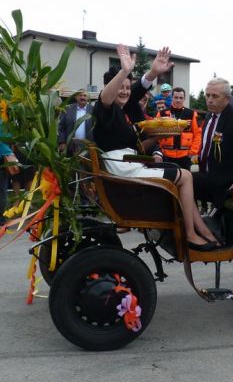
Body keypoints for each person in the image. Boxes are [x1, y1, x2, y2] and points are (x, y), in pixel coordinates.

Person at [93, 44, 219, 250]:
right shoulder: (105, 109)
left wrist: (152, 73)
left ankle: (201, 229)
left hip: (128, 165)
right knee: (186, 176)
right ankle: (190, 234)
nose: (125, 91)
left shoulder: (120, 107)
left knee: (184, 175)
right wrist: (125, 70)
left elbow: (134, 94)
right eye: (121, 87)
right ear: (111, 88)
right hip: (124, 169)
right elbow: (105, 98)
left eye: (127, 86)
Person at [192, 78, 233, 208]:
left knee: (184, 180)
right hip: (207, 176)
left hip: (226, 182)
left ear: (227, 98)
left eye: (215, 96)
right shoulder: (209, 116)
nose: (209, 100)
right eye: (207, 95)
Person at [155, 87, 202, 169]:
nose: (178, 100)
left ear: (184, 99)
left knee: (184, 178)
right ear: (172, 98)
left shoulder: (191, 114)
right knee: (168, 180)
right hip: (166, 155)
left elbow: (197, 134)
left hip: (185, 156)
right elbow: (155, 134)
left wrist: (192, 152)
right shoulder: (162, 114)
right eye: (176, 97)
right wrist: (159, 151)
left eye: (181, 98)